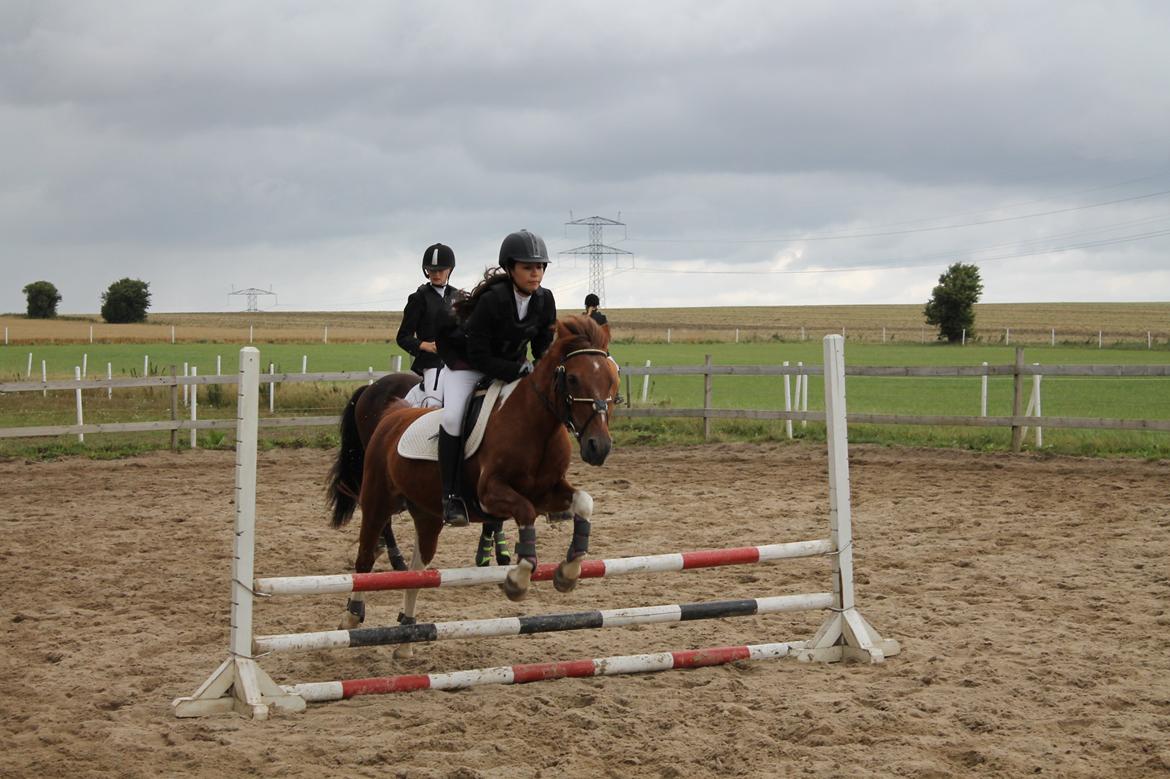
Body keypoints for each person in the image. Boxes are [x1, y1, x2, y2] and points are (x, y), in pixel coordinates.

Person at [435, 229, 557, 526]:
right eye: (528, 267)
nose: (536, 273)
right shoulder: (493, 300)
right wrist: (517, 370)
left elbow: (542, 344)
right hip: (467, 365)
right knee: (452, 417)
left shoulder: (545, 299)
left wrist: (544, 368)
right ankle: (450, 497)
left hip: (511, 365)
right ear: (510, 268)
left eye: (540, 267)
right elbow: (478, 355)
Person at [396, 243, 461, 408]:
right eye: (432, 270)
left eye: (441, 270)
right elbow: (403, 337)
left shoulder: (458, 296)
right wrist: (425, 345)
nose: (436, 274)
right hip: (433, 363)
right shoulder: (418, 298)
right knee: (435, 405)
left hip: (457, 360)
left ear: (450, 270)